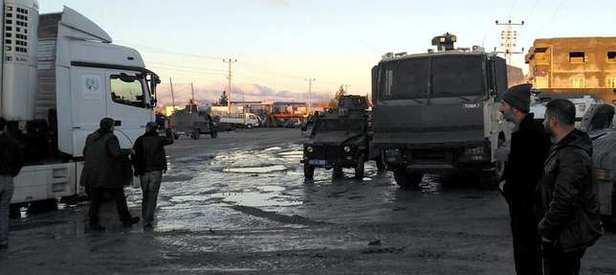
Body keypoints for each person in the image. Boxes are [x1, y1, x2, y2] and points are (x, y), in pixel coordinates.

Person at [538, 99, 603, 275]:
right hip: (562, 234)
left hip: (565, 237)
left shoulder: (572, 155)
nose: (543, 122)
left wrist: (546, 231)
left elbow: (564, 200)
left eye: (545, 118)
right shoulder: (563, 148)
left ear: (553, 122)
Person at [499, 84, 551, 275]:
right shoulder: (530, 131)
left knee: (527, 257)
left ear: (515, 107)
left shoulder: (528, 135)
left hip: (528, 210)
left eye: (503, 104)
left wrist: (506, 186)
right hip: (529, 208)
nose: (500, 109)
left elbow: (523, 178)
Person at [81, 118, 139, 231]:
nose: (114, 128)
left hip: (92, 173)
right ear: (109, 127)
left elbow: (85, 152)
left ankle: (93, 223)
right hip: (108, 174)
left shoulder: (91, 136)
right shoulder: (111, 137)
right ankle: (126, 219)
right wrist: (129, 151)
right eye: (113, 126)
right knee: (119, 197)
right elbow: (115, 153)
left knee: (95, 200)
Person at [133, 122, 172, 229]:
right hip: (156, 170)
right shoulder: (159, 139)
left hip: (143, 171)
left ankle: (145, 217)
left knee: (145, 195)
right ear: (156, 130)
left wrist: (136, 169)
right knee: (152, 196)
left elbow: (135, 155)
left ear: (147, 129)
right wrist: (168, 129)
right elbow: (170, 140)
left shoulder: (140, 140)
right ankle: (148, 219)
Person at [0, 117, 23, 249]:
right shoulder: (12, 142)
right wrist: (12, 173)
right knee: (4, 211)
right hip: (8, 180)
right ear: (4, 128)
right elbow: (20, 160)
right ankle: (3, 241)